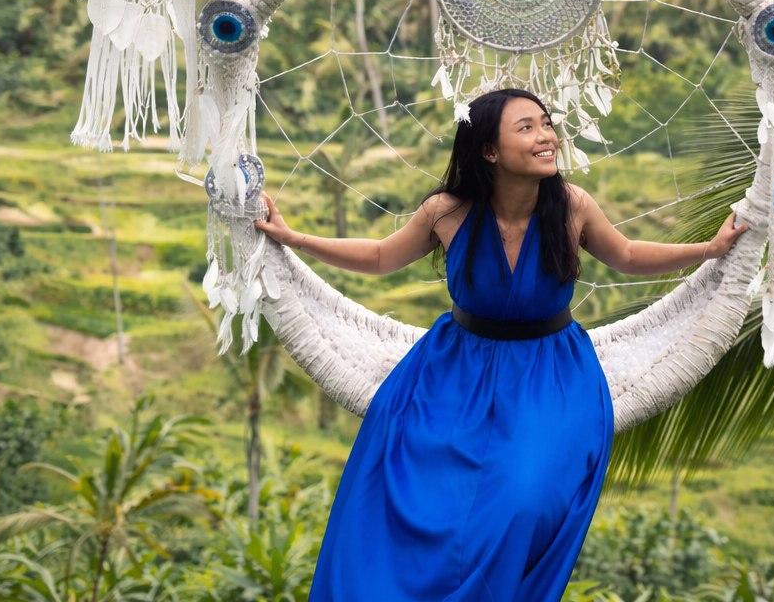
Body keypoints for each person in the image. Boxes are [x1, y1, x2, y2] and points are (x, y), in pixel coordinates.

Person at [255, 87, 748, 601]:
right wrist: (296, 241)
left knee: (524, 499)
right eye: (528, 128)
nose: (547, 137)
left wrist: (709, 251)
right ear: (489, 151)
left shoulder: (572, 206)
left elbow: (625, 254)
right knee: (413, 490)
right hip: (456, 368)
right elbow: (381, 256)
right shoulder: (446, 211)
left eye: (547, 124)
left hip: (551, 371)